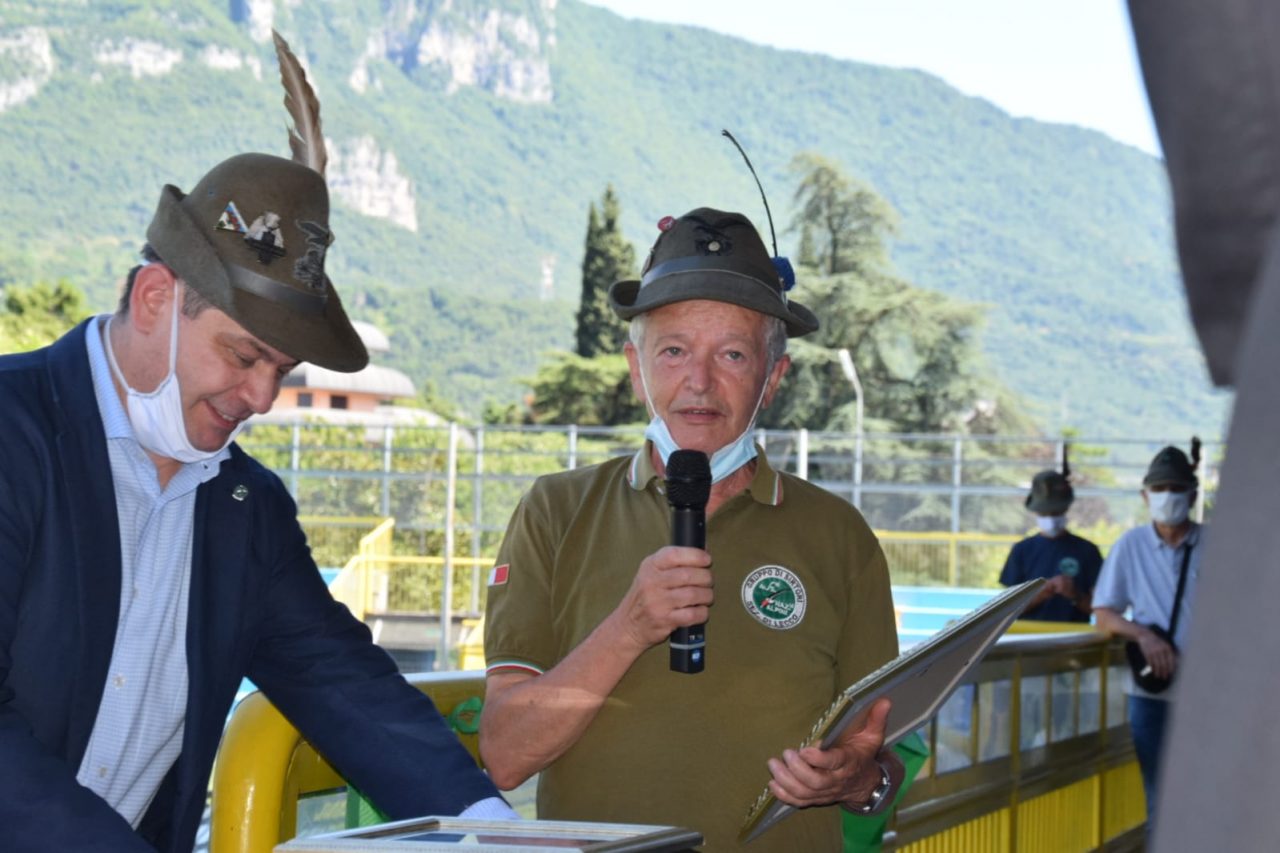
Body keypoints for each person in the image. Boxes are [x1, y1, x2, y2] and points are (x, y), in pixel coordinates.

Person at [0, 153, 513, 852]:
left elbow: (344, 685)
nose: (262, 398)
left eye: (281, 370)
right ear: (156, 298)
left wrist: (493, 828)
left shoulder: (248, 508)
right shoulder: (12, 433)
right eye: (243, 356)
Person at [479, 208, 902, 850]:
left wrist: (854, 778)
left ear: (772, 378)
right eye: (673, 351)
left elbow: (885, 764)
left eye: (732, 354)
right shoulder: (554, 511)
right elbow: (506, 755)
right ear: (635, 367)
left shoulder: (839, 537)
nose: (698, 382)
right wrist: (630, 627)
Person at [1091, 441, 1204, 821]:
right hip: (1152, 695)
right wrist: (1143, 634)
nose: (1167, 497)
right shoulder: (1130, 545)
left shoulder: (1216, 545)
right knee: (1160, 797)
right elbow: (1103, 613)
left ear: (1192, 494)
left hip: (1209, 696)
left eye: (1176, 488)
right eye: (1159, 489)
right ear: (1144, 496)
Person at [999, 454, 1102, 623]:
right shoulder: (1022, 551)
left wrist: (1074, 594)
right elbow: (1006, 611)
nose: (1050, 518)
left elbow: (1098, 610)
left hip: (1073, 639)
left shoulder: (1087, 551)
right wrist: (1041, 595)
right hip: (1029, 639)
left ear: (1066, 508)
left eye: (1056, 512)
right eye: (1044, 513)